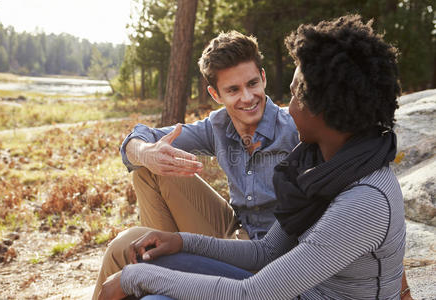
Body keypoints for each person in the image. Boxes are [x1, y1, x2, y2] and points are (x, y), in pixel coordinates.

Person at [99, 15, 408, 299]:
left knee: (153, 291)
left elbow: (253, 293)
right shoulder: (319, 161)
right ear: (216, 94)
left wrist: (136, 279)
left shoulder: (365, 196)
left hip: (277, 288)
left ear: (324, 105)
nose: (288, 106)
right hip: (278, 278)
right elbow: (266, 252)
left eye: (296, 94)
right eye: (233, 90)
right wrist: (180, 241)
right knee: (138, 258)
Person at [92, 30, 300, 299]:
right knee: (150, 168)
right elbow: (139, 137)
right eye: (233, 90)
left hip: (269, 254)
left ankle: (160, 274)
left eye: (252, 84)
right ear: (215, 94)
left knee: (122, 246)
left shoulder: (295, 128)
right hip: (232, 232)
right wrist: (146, 153)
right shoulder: (219, 125)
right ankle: (160, 265)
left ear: (263, 77)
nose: (247, 97)